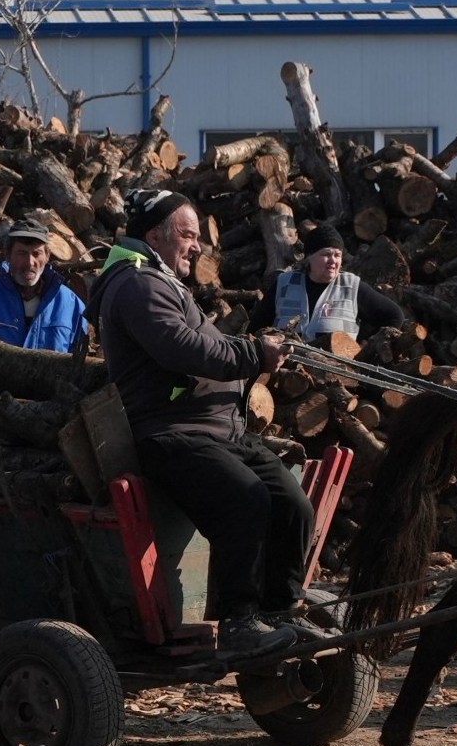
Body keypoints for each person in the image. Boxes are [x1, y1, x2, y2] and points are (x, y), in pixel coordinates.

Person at [86, 188, 309, 658]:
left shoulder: (163, 282)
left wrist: (256, 348)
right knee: (245, 500)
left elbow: (200, 346)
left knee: (292, 503)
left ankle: (279, 612)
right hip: (169, 434)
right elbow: (183, 349)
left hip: (214, 431)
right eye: (187, 235)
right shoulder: (137, 284)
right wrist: (253, 354)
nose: (197, 246)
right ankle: (239, 623)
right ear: (154, 235)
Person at [0, 218, 88, 353]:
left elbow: (79, 364)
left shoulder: (71, 306)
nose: (30, 262)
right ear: (8, 254)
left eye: (36, 253)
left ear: (47, 256)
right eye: (22, 253)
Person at [250, 223, 406, 340]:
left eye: (337, 255)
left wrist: (370, 347)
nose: (333, 261)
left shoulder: (351, 287)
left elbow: (394, 316)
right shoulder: (284, 283)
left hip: (336, 377)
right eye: (326, 254)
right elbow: (256, 328)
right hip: (285, 375)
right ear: (309, 256)